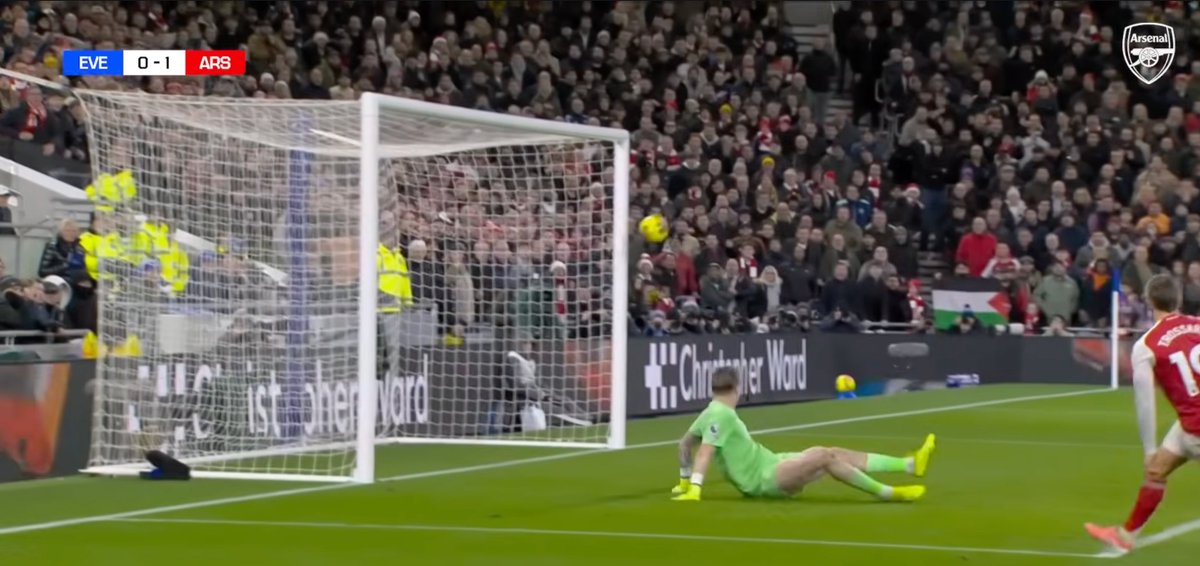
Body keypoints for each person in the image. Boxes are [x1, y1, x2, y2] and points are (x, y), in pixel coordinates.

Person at [671, 367, 934, 502]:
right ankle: (889, 493)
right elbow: (705, 450)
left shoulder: (710, 411)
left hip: (770, 462)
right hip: (765, 480)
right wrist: (695, 487)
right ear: (736, 388)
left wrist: (684, 481)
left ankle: (910, 464)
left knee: (832, 452)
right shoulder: (722, 414)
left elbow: (684, 445)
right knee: (823, 455)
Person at [1085, 275, 1200, 554]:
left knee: (1155, 462)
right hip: (1189, 425)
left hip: (1195, 427)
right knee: (1157, 470)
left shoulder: (1146, 345)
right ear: (1180, 299)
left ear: (1148, 301)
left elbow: (1145, 402)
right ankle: (1125, 535)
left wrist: (1149, 447)